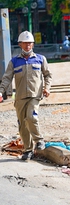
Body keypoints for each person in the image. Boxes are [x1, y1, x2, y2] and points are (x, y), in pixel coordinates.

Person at [0, 31, 52, 160]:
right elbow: (7, 78)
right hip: (20, 97)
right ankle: (28, 150)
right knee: (22, 124)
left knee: (31, 117)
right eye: (25, 43)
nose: (28, 45)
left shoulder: (40, 59)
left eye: (30, 43)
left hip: (35, 95)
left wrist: (47, 88)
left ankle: (39, 140)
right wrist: (1, 91)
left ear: (33, 44)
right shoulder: (14, 62)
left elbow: (48, 75)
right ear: (20, 44)